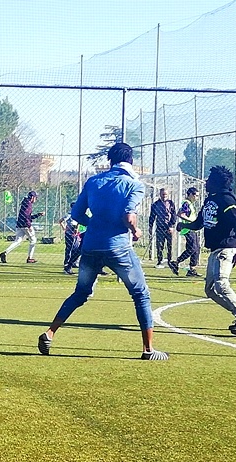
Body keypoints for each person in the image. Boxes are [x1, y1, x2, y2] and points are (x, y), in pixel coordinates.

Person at [37, 142, 168, 360]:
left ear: (110, 160)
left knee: (81, 293)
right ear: (131, 160)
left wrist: (95, 224)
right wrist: (135, 231)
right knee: (141, 294)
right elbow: (129, 216)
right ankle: (148, 350)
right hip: (118, 248)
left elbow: (76, 214)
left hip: (90, 246)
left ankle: (50, 333)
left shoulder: (93, 182)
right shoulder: (134, 184)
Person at [176, 165, 236, 334]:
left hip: (226, 248)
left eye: (210, 180)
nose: (206, 182)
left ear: (217, 183)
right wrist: (184, 225)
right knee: (210, 290)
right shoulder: (209, 200)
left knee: (221, 284)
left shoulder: (226, 200)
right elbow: (198, 223)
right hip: (215, 250)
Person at [0, 191, 44, 264]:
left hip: (19, 224)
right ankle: (30, 258)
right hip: (25, 225)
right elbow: (26, 216)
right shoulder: (28, 204)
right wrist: (29, 225)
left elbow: (28, 216)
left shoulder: (25, 203)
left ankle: (4, 253)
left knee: (18, 241)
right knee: (33, 240)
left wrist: (38, 215)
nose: (36, 199)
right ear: (32, 197)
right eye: (35, 197)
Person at [169, 187, 201, 277]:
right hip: (188, 229)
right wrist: (192, 222)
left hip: (192, 228)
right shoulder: (186, 203)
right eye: (196, 195)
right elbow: (180, 214)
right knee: (192, 248)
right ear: (190, 194)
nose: (197, 198)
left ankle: (192, 269)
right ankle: (176, 262)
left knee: (197, 248)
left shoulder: (190, 204)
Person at [148, 188, 177, 268]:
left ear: (168, 194)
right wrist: (150, 226)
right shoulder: (155, 204)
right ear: (160, 194)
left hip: (169, 227)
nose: (164, 196)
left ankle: (170, 260)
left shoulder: (171, 203)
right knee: (159, 245)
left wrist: (171, 226)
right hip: (160, 227)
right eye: (163, 194)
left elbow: (174, 215)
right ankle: (160, 261)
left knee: (170, 245)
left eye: (165, 194)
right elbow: (152, 216)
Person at [59, 202, 81, 274]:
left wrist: (77, 229)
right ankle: (67, 263)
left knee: (76, 248)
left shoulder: (77, 214)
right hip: (69, 234)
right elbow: (61, 221)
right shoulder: (69, 214)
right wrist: (64, 228)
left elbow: (78, 223)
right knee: (69, 249)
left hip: (75, 234)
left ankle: (74, 262)